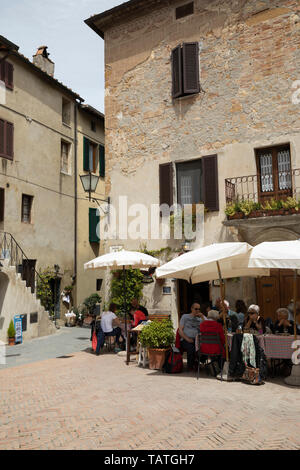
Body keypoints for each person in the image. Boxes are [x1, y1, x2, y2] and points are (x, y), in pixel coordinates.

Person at [178, 303, 207, 371]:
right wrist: (187, 339)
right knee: (191, 347)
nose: (197, 311)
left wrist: (202, 317)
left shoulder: (200, 319)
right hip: (186, 339)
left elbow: (207, 325)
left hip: (197, 339)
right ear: (191, 309)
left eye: (199, 309)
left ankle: (198, 362)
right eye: (196, 309)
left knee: (205, 346)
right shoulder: (185, 316)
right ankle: (190, 366)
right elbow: (180, 331)